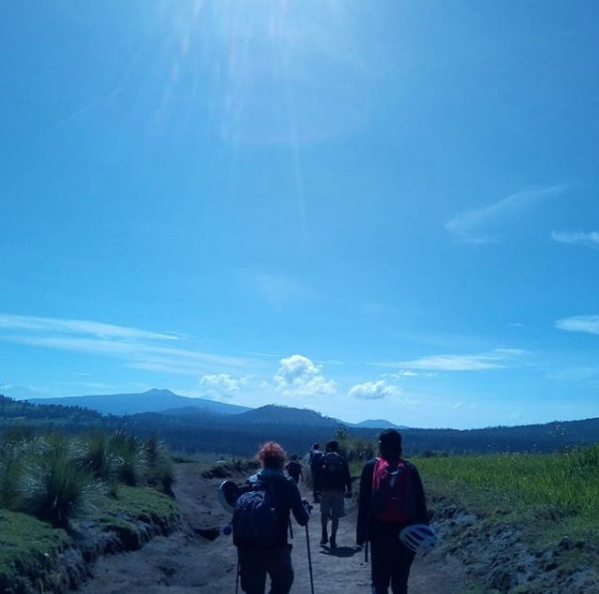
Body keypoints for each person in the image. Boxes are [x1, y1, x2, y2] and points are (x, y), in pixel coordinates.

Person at [356, 429, 429, 594]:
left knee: (379, 582)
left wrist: (361, 535)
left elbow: (364, 503)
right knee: (400, 582)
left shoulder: (371, 467)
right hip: (407, 533)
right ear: (399, 446)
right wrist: (424, 531)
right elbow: (420, 503)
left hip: (379, 532)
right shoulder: (409, 468)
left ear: (380, 446)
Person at [235, 442, 311, 594]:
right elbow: (302, 519)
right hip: (276, 546)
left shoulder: (251, 481)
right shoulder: (286, 483)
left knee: (253, 590)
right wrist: (307, 509)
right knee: (283, 583)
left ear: (262, 460)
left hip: (247, 545)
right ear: (282, 462)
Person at [314, 439, 352, 549]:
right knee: (336, 517)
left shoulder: (323, 459)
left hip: (325, 491)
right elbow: (347, 476)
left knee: (324, 513)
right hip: (338, 491)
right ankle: (333, 538)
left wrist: (316, 490)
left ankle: (324, 533)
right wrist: (349, 489)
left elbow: (317, 476)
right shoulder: (341, 459)